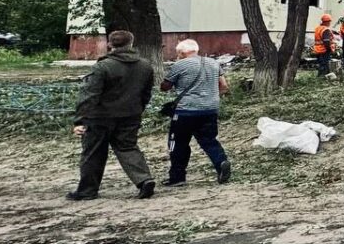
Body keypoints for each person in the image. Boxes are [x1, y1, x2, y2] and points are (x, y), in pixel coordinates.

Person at [67, 30, 156, 200]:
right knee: (128, 147)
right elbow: (146, 93)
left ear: (110, 45)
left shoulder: (102, 66)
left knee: (93, 152)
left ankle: (87, 191)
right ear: (131, 43)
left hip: (100, 117)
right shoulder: (145, 66)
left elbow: (89, 94)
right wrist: (138, 108)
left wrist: (80, 120)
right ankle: (144, 180)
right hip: (130, 115)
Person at [161, 39, 231, 187]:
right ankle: (221, 162)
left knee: (178, 143)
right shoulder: (213, 63)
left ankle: (177, 177)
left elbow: (165, 87)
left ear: (181, 53)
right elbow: (224, 86)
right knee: (209, 139)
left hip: (185, 111)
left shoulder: (180, 65)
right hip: (210, 109)